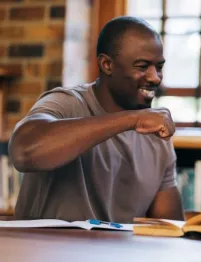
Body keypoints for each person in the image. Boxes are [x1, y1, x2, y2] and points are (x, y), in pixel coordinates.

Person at [8, 16, 185, 223]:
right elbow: (24, 152)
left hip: (116, 254)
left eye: (159, 67)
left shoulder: (156, 136)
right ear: (107, 64)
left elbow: (169, 228)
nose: (155, 77)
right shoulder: (67, 103)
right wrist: (132, 120)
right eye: (142, 66)